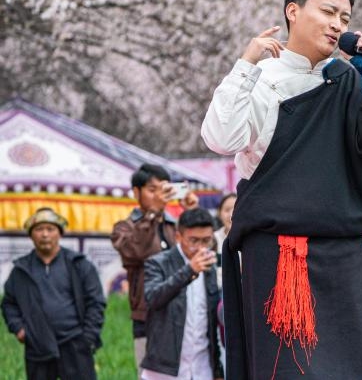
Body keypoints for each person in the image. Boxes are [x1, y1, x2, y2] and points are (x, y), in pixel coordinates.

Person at [201, 0, 362, 379]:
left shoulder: (350, 79)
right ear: (294, 11)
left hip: (345, 255)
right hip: (283, 256)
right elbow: (219, 137)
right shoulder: (260, 78)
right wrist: (246, 63)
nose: (338, 25)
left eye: (346, 19)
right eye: (329, 12)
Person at [112, 163, 200, 373]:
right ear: (136, 192)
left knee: (187, 371)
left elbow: (199, 250)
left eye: (163, 189)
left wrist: (192, 213)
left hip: (180, 311)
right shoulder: (124, 227)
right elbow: (136, 251)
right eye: (152, 190)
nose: (159, 196)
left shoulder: (175, 226)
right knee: (150, 374)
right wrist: (152, 213)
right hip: (146, 315)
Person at [2, 208, 106, 380]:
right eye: (39, 229)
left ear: (60, 234)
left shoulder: (79, 265)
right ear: (31, 235)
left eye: (50, 229)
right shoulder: (21, 270)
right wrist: (19, 329)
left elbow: (96, 302)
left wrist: (87, 338)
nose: (44, 235)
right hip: (38, 345)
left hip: (75, 344)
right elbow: (9, 303)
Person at [141, 208, 223, 380]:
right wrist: (189, 271)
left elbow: (211, 322)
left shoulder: (211, 268)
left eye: (206, 240)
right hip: (165, 369)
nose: (201, 248)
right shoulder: (158, 263)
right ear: (178, 237)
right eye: (193, 240)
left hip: (202, 367)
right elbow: (153, 298)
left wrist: (217, 369)